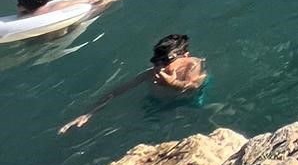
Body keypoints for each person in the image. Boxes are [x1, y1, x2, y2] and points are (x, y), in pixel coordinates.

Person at [58, 34, 208, 133]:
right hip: (157, 104)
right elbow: (117, 91)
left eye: (166, 61)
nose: (160, 66)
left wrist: (173, 83)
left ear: (185, 56)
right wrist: (88, 113)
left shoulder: (192, 65)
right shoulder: (151, 73)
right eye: (156, 61)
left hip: (187, 102)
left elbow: (194, 87)